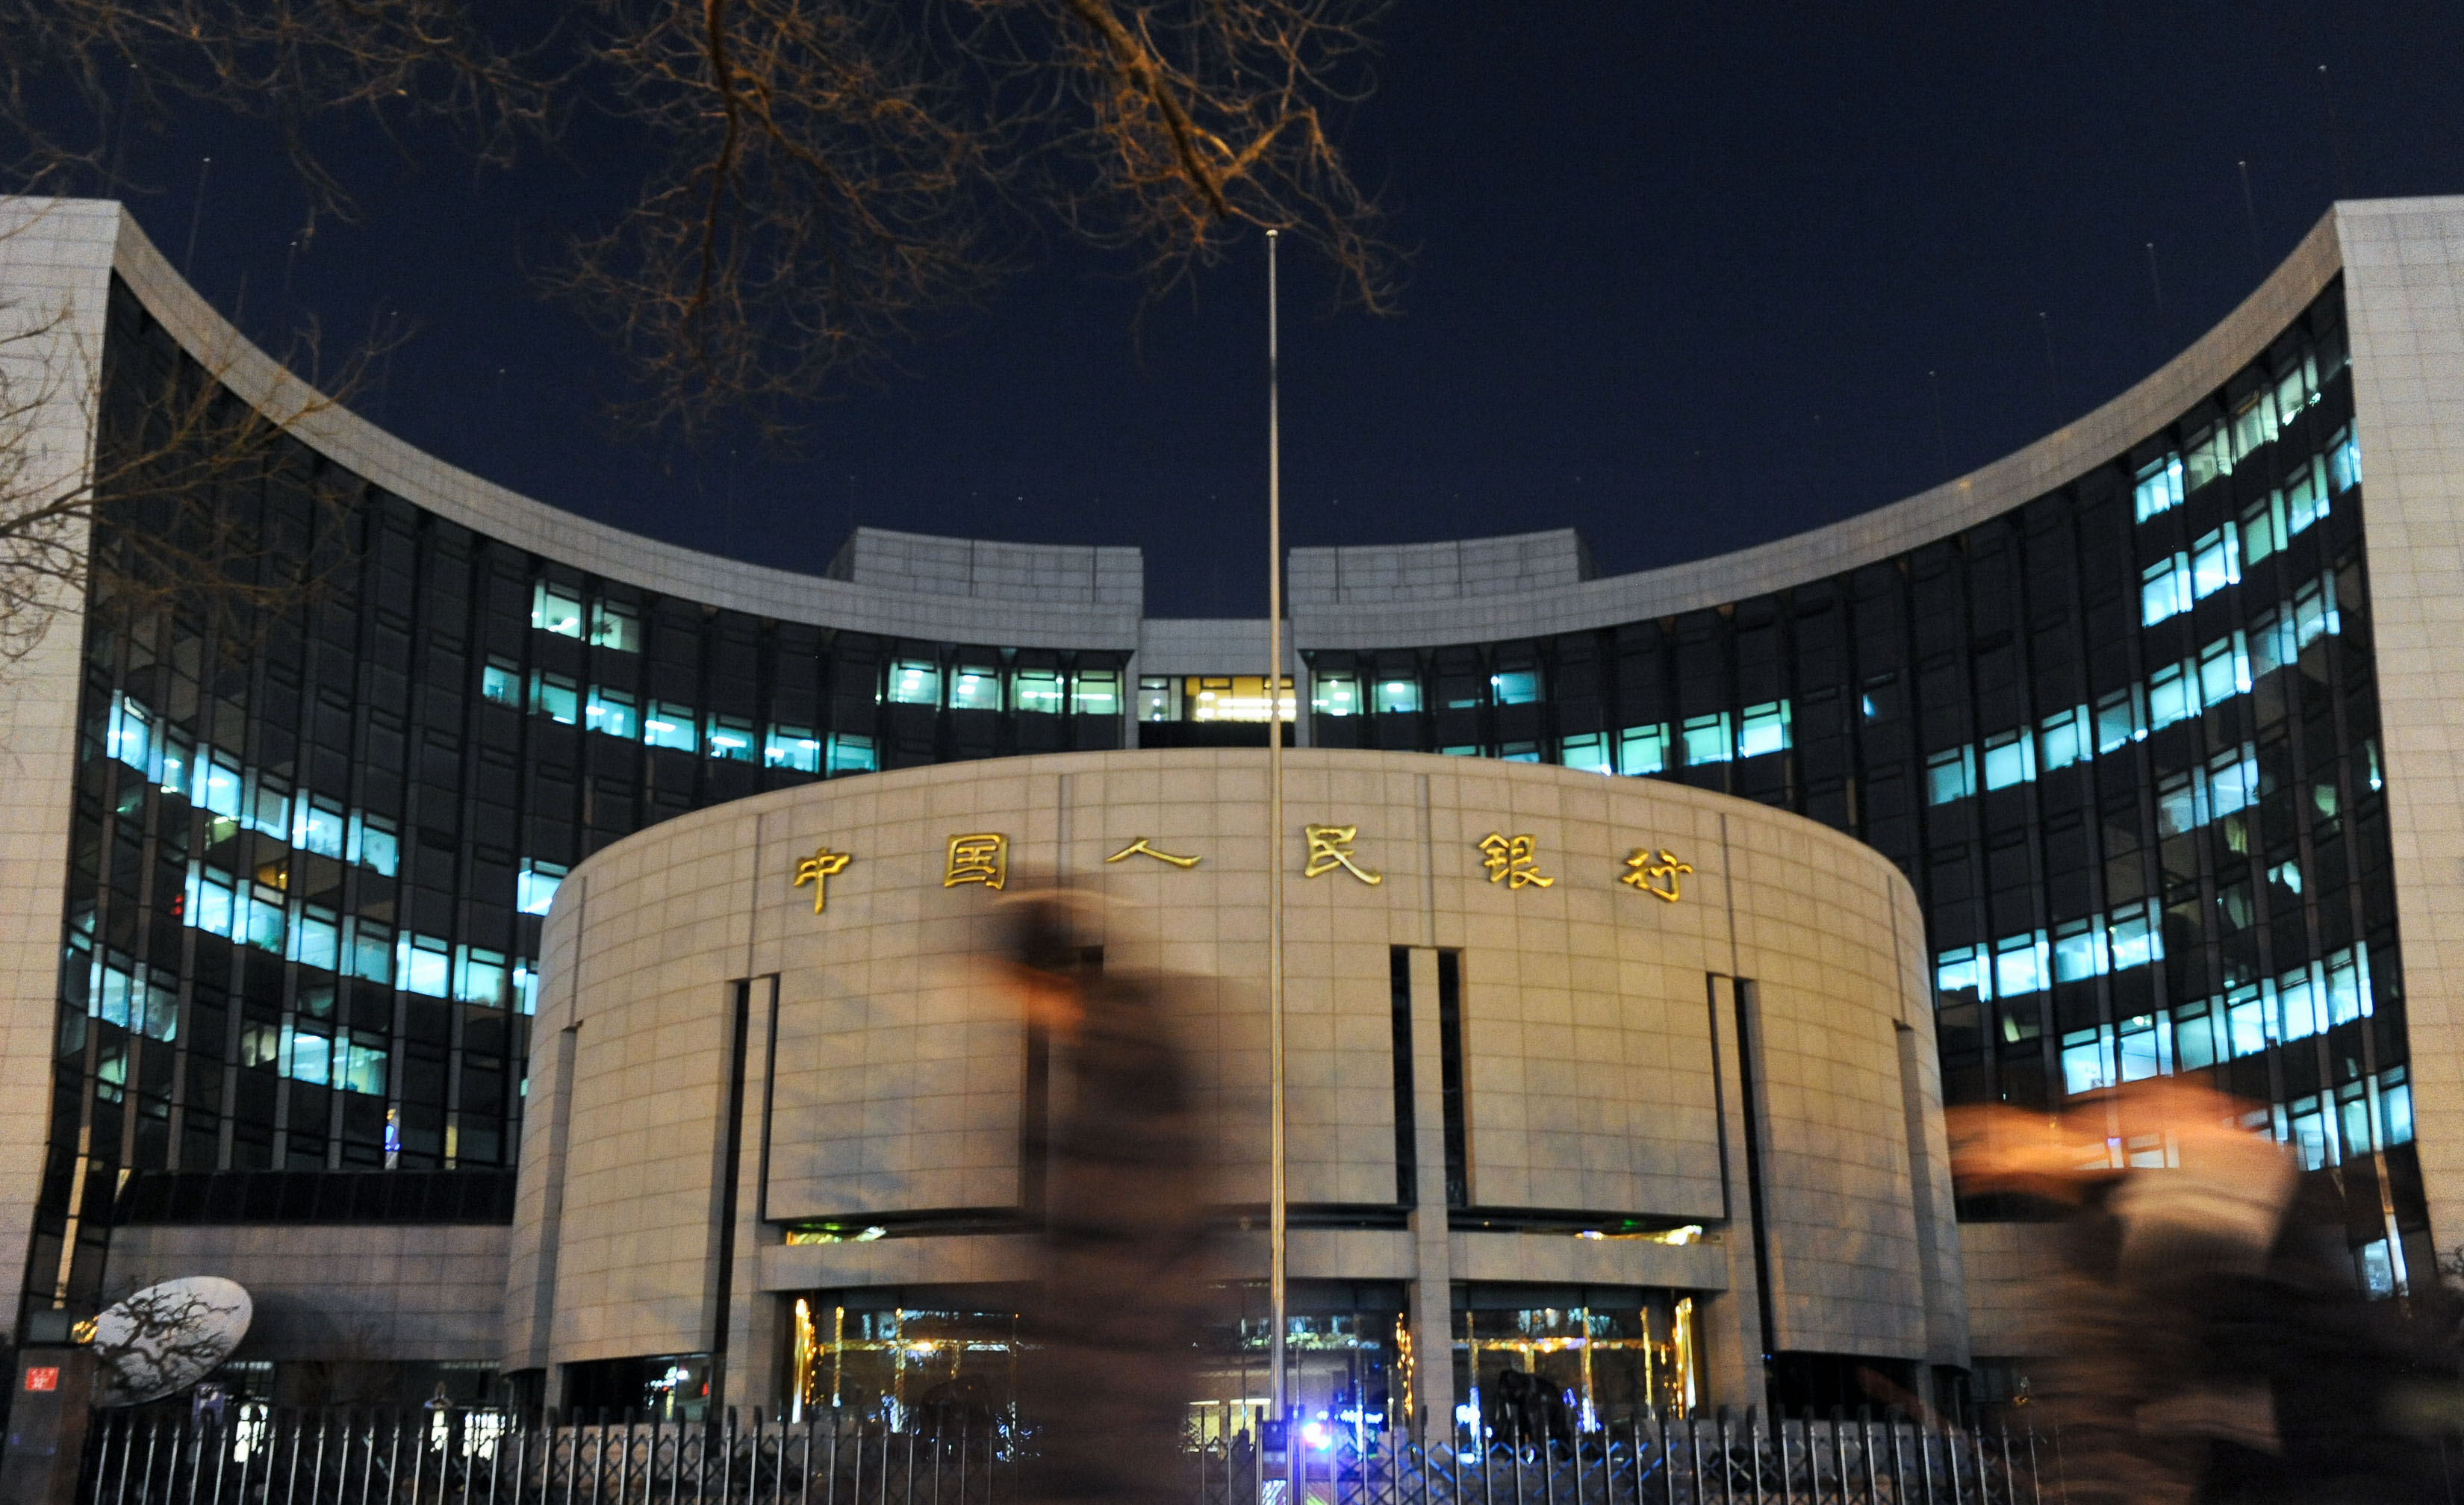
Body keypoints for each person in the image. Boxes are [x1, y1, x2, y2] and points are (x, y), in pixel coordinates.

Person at [1000, 893, 1217, 1505]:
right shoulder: (1117, 1045)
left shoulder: (1123, 1055)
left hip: (1115, 1404)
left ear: (1031, 976)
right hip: (1120, 1399)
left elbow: (1116, 1237)